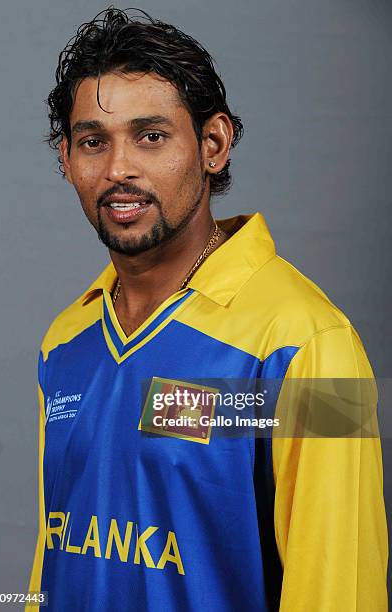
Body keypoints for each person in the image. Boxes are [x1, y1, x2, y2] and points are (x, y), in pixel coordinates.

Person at [27, 7, 388, 611]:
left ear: (213, 144)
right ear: (67, 160)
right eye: (93, 142)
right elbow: (54, 560)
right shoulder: (65, 341)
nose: (119, 169)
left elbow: (339, 588)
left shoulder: (306, 341)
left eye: (151, 136)